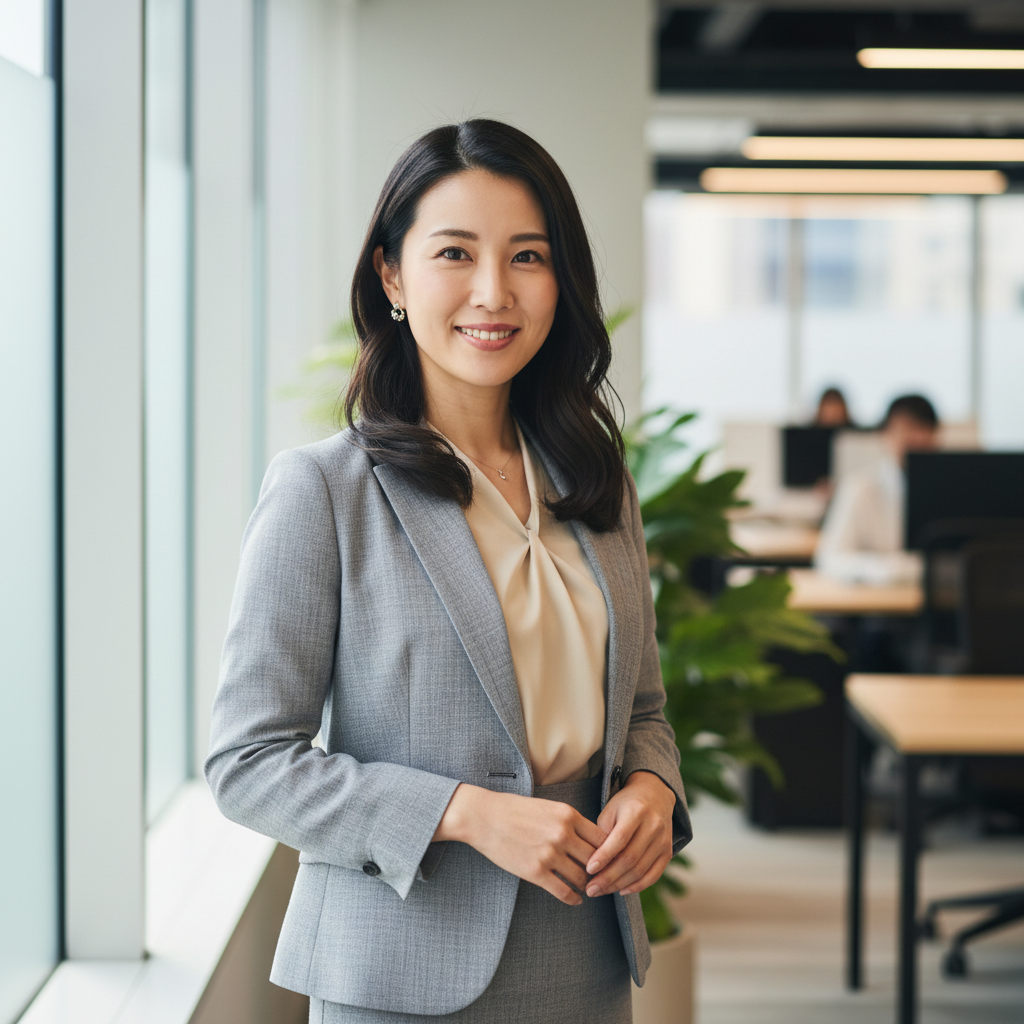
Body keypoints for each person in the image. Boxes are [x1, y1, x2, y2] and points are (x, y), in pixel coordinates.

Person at [205, 119, 690, 1024]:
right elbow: (248, 762)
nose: (493, 292)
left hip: (583, 954)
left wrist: (654, 788)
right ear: (392, 275)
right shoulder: (325, 491)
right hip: (400, 972)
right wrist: (463, 812)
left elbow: (646, 713)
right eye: (455, 253)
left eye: (528, 257)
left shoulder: (594, 481)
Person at [815, 393, 939, 585]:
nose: (916, 439)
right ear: (884, 435)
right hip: (881, 603)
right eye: (905, 429)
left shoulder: (950, 490)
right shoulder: (861, 487)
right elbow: (830, 560)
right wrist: (884, 568)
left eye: (924, 429)